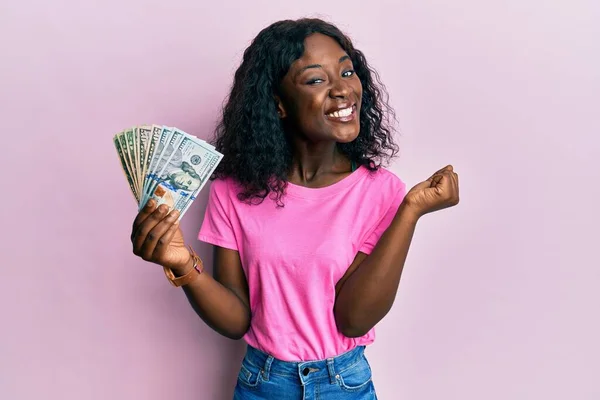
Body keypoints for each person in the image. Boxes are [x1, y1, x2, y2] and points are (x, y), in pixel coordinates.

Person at [130, 18, 459, 400]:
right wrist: (183, 265)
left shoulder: (380, 191)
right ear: (278, 103)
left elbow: (353, 320)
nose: (343, 90)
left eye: (347, 72)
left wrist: (410, 212)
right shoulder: (232, 191)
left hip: (344, 385)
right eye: (316, 80)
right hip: (261, 383)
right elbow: (237, 319)